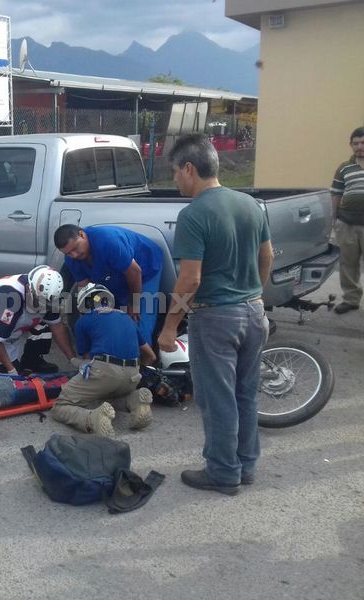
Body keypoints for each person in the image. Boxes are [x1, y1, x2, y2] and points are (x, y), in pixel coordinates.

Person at [157, 133, 272, 496]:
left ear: (189, 169)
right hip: (254, 313)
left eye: (175, 171)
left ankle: (223, 473)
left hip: (217, 318)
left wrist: (170, 326)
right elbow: (267, 256)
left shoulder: (194, 214)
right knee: (245, 395)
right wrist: (254, 293)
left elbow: (190, 279)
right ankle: (245, 465)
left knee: (218, 399)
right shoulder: (251, 205)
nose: (175, 179)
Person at [52, 284, 155, 437]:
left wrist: (74, 361)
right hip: (133, 375)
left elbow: (87, 361)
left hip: (105, 371)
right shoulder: (127, 318)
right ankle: (135, 400)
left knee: (60, 406)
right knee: (106, 396)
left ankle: (92, 419)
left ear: (83, 304)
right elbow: (151, 356)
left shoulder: (84, 321)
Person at [54, 224, 163, 346]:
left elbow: (134, 272)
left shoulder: (108, 241)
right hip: (113, 274)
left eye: (75, 248)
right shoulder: (72, 260)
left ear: (82, 235)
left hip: (145, 268)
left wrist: (134, 305)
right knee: (109, 320)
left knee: (138, 321)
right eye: (68, 253)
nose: (74, 255)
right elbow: (86, 289)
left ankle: (144, 361)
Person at [0, 266, 79, 375]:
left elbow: (57, 326)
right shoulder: (10, 297)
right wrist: (11, 370)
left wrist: (73, 359)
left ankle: (32, 360)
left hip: (11, 326)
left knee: (45, 324)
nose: (43, 307)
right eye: (40, 302)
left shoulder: (47, 293)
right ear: (29, 288)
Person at [330, 126, 364, 314]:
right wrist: (334, 221)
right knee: (348, 264)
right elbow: (336, 194)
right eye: (356, 143)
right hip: (347, 224)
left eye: (363, 143)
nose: (359, 147)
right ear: (351, 145)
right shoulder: (344, 167)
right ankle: (351, 299)